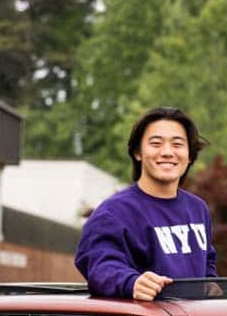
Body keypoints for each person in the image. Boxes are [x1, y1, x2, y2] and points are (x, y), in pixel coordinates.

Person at [75, 107, 217, 300]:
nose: (167, 152)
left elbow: (207, 259)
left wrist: (211, 283)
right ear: (137, 152)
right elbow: (100, 266)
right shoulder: (113, 213)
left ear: (190, 155)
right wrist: (131, 283)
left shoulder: (197, 209)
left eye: (177, 144)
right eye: (156, 143)